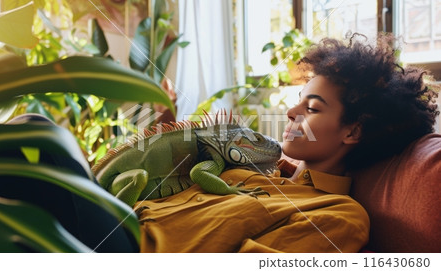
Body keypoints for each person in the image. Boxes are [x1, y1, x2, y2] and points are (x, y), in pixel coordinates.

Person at [135, 33, 439, 253]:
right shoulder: (252, 165)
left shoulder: (337, 216)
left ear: (353, 132)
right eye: (298, 101)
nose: (291, 112)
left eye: (313, 108)